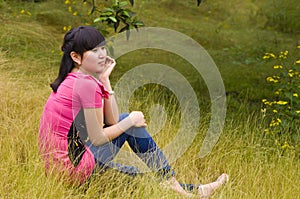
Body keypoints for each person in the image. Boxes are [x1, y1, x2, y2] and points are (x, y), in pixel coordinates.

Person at [38, 26, 228, 198]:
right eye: (94, 51)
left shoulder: (76, 79)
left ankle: (195, 191)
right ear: (76, 57)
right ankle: (184, 192)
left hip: (61, 169)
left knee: (134, 171)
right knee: (133, 141)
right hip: (73, 170)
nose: (102, 54)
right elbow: (98, 138)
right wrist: (132, 121)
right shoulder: (85, 85)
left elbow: (112, 121)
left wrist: (105, 79)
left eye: (103, 48)